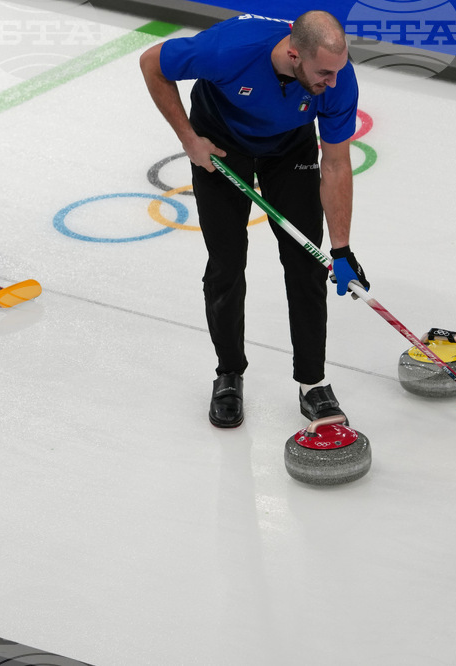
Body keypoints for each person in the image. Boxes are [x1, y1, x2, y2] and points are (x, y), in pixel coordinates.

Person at [140, 11, 369, 428]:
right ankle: (229, 373)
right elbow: (152, 63)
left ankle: (312, 383)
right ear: (293, 53)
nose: (332, 83)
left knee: (307, 264)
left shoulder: (337, 78)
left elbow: (336, 164)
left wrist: (341, 249)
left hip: (289, 149)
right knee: (226, 263)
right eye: (323, 72)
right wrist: (190, 140)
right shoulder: (230, 50)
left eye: (338, 71)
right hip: (222, 145)